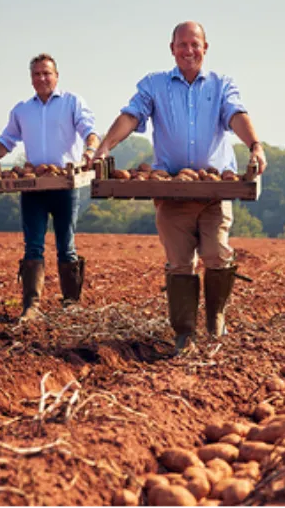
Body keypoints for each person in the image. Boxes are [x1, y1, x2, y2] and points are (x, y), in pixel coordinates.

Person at [95, 21, 267, 353]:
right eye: (182, 44)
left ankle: (216, 317)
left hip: (215, 191)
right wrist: (106, 146)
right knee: (179, 264)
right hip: (172, 193)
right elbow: (131, 115)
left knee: (217, 255)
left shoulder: (221, 85)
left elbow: (235, 115)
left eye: (195, 44)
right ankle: (184, 333)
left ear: (205, 47)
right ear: (172, 48)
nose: (189, 50)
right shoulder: (154, 84)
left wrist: (255, 145)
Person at [0, 53, 100, 321]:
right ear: (31, 79)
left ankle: (71, 305)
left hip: (65, 184)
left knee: (66, 246)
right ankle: (31, 306)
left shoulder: (72, 102)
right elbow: (7, 141)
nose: (42, 78)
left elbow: (89, 129)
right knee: (33, 246)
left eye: (47, 73)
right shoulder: (22, 110)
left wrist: (90, 149)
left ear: (57, 76)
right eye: (37, 74)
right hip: (33, 188)